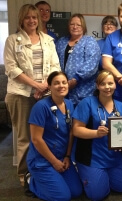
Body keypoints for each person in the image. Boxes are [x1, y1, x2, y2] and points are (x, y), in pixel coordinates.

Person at [4, 4, 60, 186]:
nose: (32, 20)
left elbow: (55, 67)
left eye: (34, 17)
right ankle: (24, 175)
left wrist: (45, 86)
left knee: (44, 136)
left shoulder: (48, 40)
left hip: (44, 94)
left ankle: (41, 170)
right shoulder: (13, 40)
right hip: (20, 94)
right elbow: (12, 69)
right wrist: (36, 85)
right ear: (22, 19)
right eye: (27, 17)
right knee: (24, 137)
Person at [25, 71, 82, 200]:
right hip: (42, 160)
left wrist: (67, 156)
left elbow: (71, 133)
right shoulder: (41, 107)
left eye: (64, 82)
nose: (61, 86)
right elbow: (36, 139)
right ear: (49, 87)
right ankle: (32, 182)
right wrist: (54, 162)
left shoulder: (69, 104)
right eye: (56, 83)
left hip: (62, 157)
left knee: (76, 192)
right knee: (63, 197)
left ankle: (53, 180)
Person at [72, 70, 122, 201]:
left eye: (110, 83)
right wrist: (96, 133)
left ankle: (104, 176)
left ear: (115, 85)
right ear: (97, 86)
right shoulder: (87, 103)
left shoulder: (121, 106)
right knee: (97, 195)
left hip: (114, 157)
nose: (107, 87)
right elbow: (76, 130)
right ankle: (86, 172)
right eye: (103, 84)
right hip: (92, 157)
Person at [56, 13, 100, 106]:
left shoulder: (89, 41)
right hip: (62, 90)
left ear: (83, 27)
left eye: (78, 25)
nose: (75, 27)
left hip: (84, 92)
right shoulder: (61, 42)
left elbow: (92, 64)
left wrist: (76, 79)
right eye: (72, 24)